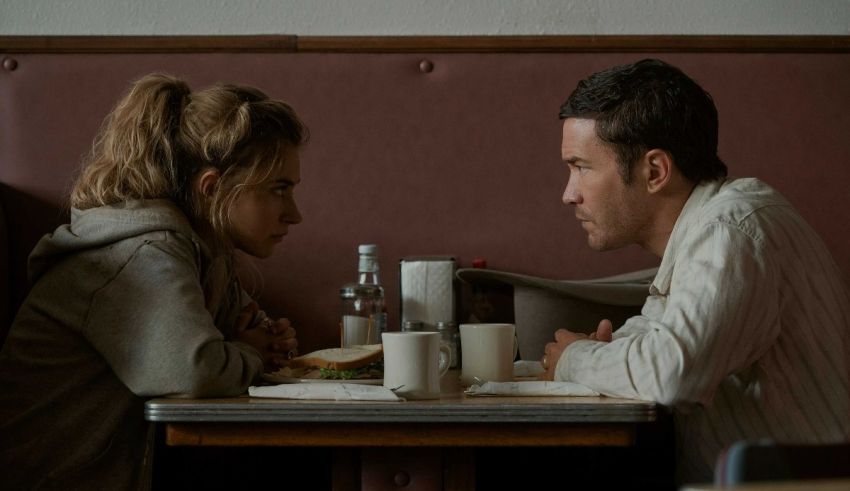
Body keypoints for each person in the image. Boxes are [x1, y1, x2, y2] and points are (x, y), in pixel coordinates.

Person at [539, 59, 850, 484]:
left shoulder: (730, 229)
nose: (568, 194)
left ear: (654, 172)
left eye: (582, 167)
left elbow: (670, 375)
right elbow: (658, 340)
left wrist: (574, 359)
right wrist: (607, 353)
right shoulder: (707, 228)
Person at [0, 73, 307, 490]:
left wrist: (261, 343)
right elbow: (194, 372)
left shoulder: (204, 251)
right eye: (279, 189)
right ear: (213, 188)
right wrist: (249, 352)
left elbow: (232, 345)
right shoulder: (145, 255)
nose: (294, 214)